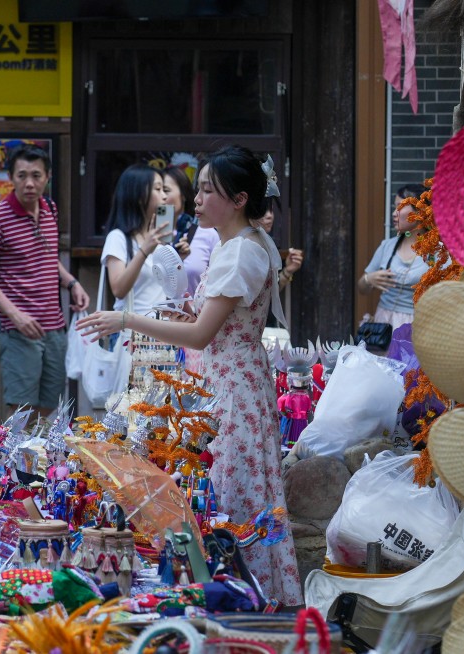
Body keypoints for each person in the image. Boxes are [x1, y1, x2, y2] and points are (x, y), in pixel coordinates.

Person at [77, 146, 303, 605]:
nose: (195, 200)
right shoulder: (242, 244)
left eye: (206, 190)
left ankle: (241, 600)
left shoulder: (241, 251)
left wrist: (127, 319)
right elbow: (208, 325)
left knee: (230, 500)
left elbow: (200, 335)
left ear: (238, 199)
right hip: (233, 381)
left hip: (232, 389)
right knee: (234, 494)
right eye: (196, 189)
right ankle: (247, 597)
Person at [0, 146, 89, 415]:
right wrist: (15, 316)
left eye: (36, 175)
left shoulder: (49, 208)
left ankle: (38, 457)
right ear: (10, 178)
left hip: (54, 326)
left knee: (50, 407)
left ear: (47, 177)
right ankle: (15, 457)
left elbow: (47, 257)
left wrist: (72, 283)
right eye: (22, 175)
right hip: (18, 329)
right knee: (21, 410)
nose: (29, 183)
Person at [102, 164, 193, 315]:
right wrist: (145, 249)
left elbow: (167, 291)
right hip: (131, 331)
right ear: (138, 196)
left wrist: (178, 260)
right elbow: (119, 289)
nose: (164, 196)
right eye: (158, 189)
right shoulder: (118, 237)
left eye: (165, 189)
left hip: (158, 329)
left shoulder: (159, 238)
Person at [357, 184, 428, 331]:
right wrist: (368, 279)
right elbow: (362, 289)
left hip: (418, 327)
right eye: (394, 207)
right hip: (383, 324)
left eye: (400, 207)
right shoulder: (387, 246)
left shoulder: (437, 251)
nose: (394, 213)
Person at [166, 166, 218, 299]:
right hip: (149, 316)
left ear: (183, 195)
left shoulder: (207, 233)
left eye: (165, 190)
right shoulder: (146, 235)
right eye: (156, 190)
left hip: (193, 317)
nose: (161, 196)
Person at [255, 197, 304, 292]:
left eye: (271, 210)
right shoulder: (242, 247)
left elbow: (267, 294)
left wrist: (287, 271)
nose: (269, 215)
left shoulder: (265, 244)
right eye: (263, 210)